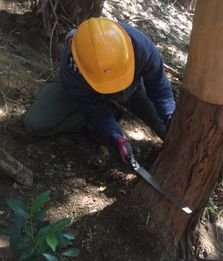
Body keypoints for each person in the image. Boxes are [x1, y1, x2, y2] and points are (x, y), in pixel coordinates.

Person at [24, 17, 176, 164]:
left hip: (132, 90)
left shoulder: (142, 47)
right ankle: (108, 114)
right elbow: (94, 109)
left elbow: (160, 91)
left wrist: (170, 116)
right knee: (37, 123)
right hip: (88, 92)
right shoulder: (74, 65)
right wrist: (115, 137)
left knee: (168, 128)